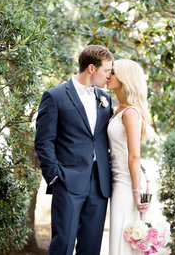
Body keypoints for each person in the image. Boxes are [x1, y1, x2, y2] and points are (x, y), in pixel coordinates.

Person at [34, 45, 114, 255]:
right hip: (68, 181)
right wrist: (54, 177)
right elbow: (43, 141)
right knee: (63, 245)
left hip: (99, 184)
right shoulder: (55, 96)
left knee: (91, 247)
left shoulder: (106, 99)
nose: (109, 75)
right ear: (91, 68)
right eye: (106, 70)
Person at [107, 59, 152, 254]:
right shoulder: (118, 108)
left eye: (113, 72)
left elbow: (134, 156)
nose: (108, 75)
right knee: (119, 237)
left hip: (128, 184)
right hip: (118, 180)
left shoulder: (131, 112)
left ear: (125, 78)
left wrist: (137, 191)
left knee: (125, 239)